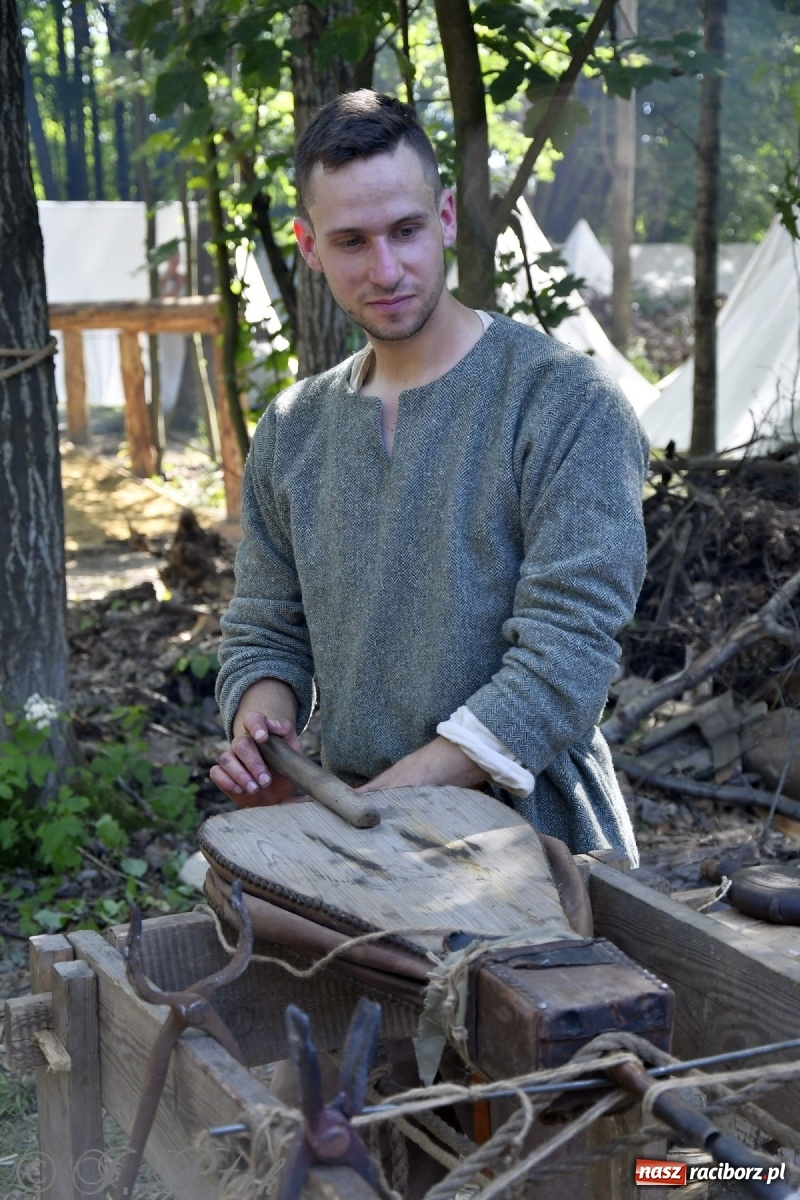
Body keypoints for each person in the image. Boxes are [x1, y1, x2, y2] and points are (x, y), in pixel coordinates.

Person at [210, 89, 648, 865]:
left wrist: (378, 809)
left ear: (445, 217)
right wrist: (264, 722)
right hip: (353, 831)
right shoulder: (292, 430)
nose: (387, 269)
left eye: (406, 231)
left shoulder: (562, 403)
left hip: (538, 843)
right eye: (351, 242)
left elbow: (567, 654)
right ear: (308, 246)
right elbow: (265, 627)